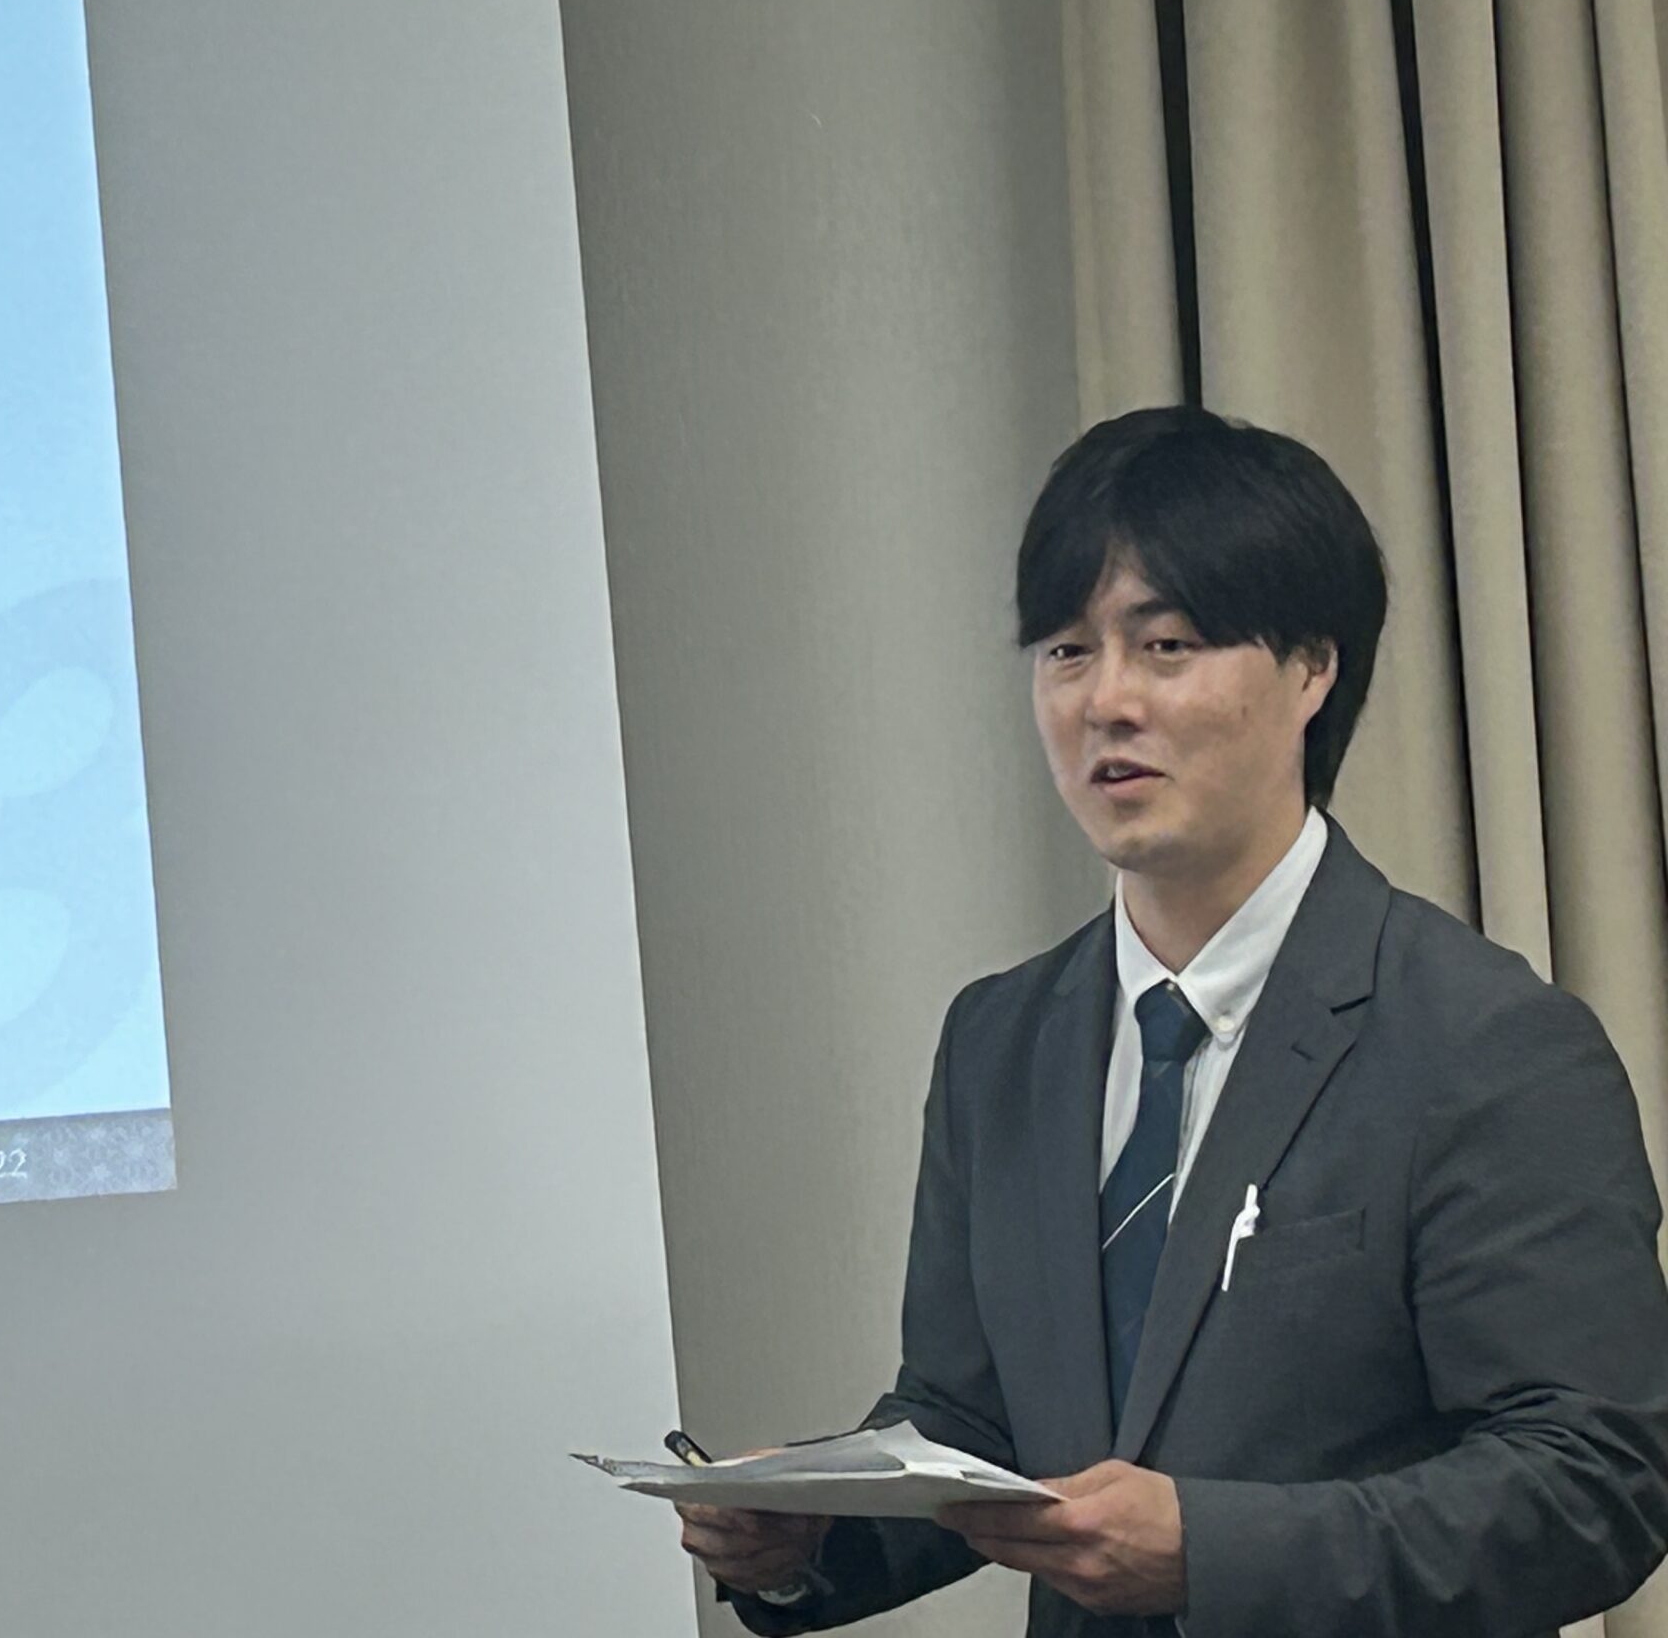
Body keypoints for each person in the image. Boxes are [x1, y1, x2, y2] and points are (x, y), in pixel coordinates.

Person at [678, 406, 1668, 1637]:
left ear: (1311, 668)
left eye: (1167, 645)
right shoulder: (998, 1041)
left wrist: (1212, 1552)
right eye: (1065, 650)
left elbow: (1592, 1482)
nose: (1106, 700)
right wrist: (808, 1534)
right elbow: (972, 1424)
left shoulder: (1488, 1042)